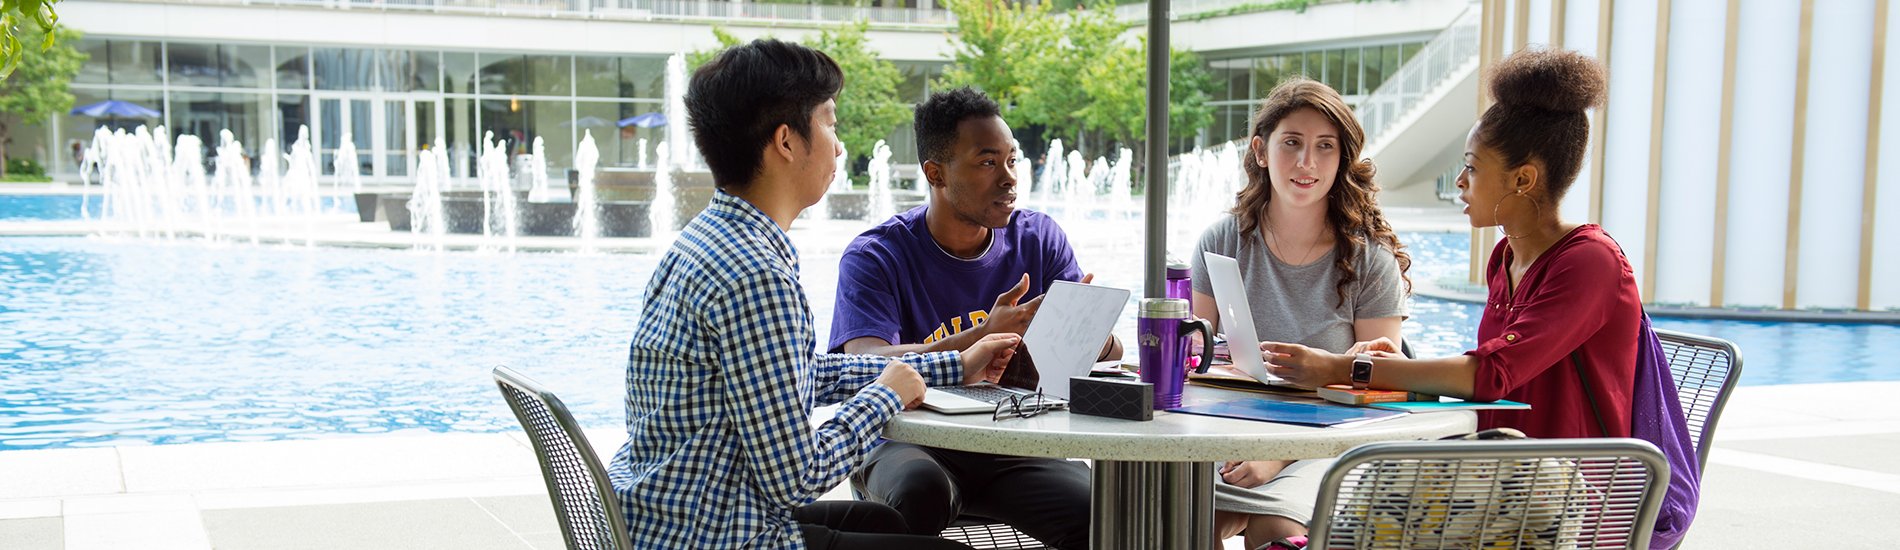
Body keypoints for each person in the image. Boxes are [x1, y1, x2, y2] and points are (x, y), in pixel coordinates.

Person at [604, 40, 1022, 550]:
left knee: (890, 526)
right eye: (830, 123)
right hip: (720, 534)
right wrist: (886, 395)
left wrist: (955, 364)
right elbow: (797, 475)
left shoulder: (707, 240)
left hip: (677, 513)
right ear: (786, 141)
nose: (840, 145)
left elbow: (801, 373)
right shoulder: (755, 275)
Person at [1262, 47, 1634, 441]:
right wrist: (1390, 366)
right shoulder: (1505, 257)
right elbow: (1486, 377)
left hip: (1573, 484)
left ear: (1522, 180)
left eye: (1472, 167)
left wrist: (1341, 368)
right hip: (1496, 466)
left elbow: (1490, 375)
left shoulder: (1591, 261)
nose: (1460, 181)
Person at [827, 87, 1115, 550]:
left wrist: (1084, 330)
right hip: (910, 441)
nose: (1009, 179)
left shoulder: (1038, 238)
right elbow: (866, 362)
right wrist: (983, 334)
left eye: (1012, 161)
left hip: (1015, 444)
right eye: (987, 163)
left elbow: (1112, 351)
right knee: (919, 494)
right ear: (935, 173)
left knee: (1102, 515)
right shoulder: (876, 254)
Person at [1186, 78, 1412, 550]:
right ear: (1261, 151)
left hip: (1328, 447)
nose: (1307, 162)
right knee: (1180, 520)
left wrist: (1280, 456)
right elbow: (1193, 362)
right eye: (1292, 143)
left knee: (1276, 530)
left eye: (1324, 147)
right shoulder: (1222, 241)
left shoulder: (1370, 259)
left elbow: (1380, 395)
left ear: (1341, 160)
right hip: (1231, 434)